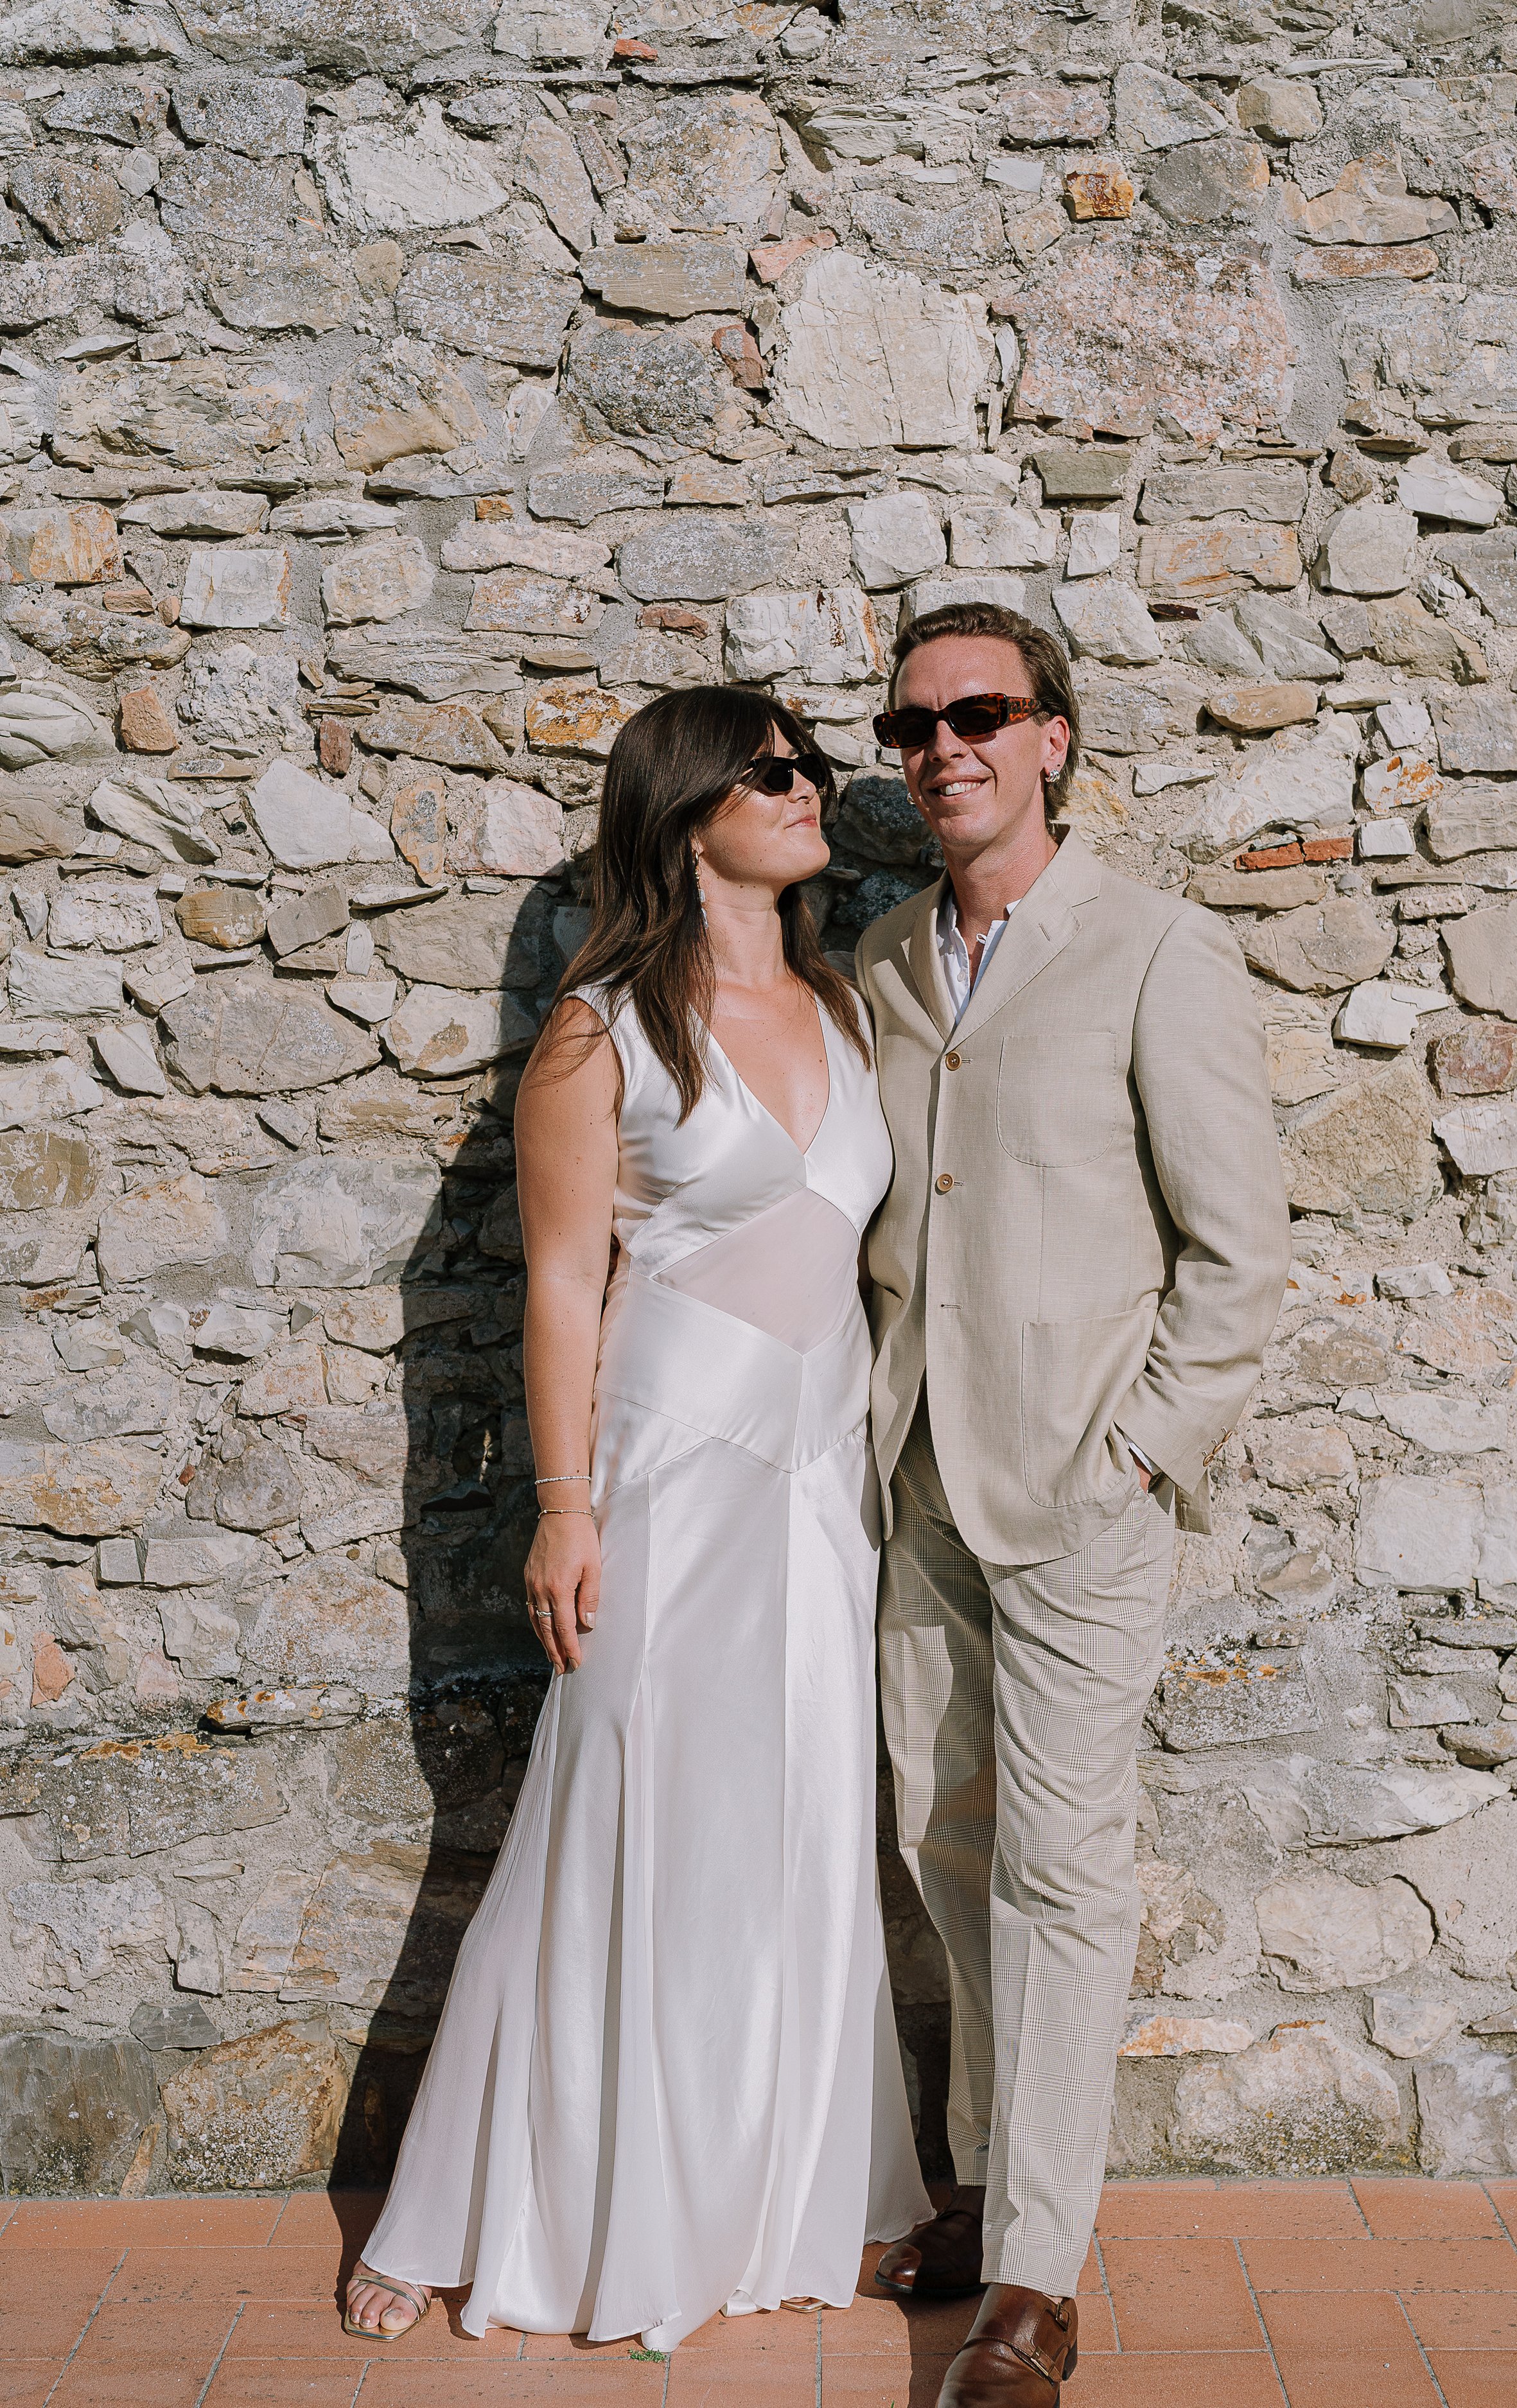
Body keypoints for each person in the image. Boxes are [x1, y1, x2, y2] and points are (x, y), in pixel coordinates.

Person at [344, 686, 930, 2351]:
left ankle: (796, 2192)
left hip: (820, 1472)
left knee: (804, 1818)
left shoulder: (845, 1002)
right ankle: (471, 2207)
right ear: (684, 814)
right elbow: (556, 1281)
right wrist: (562, 1504)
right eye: (773, 771)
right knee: (609, 1811)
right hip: (667, 1467)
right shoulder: (600, 1029)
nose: (812, 788)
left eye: (811, 764)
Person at [856, 601, 1290, 2406]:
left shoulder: (1153, 947)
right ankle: (985, 2186)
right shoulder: (883, 956)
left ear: (1051, 736)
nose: (942, 748)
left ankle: (1035, 2288)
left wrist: (1142, 1453)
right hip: (919, 1481)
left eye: (978, 713)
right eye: (911, 725)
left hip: (1080, 1492)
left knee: (1059, 1869)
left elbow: (1238, 1251)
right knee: (945, 1845)